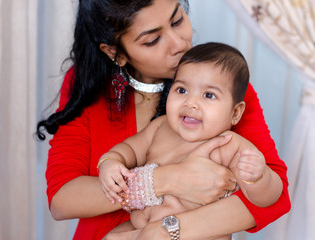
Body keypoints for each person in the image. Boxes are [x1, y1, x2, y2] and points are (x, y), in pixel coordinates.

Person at [36, 0, 290, 239]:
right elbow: (62, 199)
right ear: (116, 52)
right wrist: (167, 179)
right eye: (153, 40)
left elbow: (274, 196)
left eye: (178, 20)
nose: (178, 44)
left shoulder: (222, 86)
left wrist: (166, 231)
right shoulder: (88, 86)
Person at [98, 42, 283, 240]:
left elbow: (269, 198)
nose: (191, 103)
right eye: (182, 90)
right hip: (140, 229)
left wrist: (258, 177)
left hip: (192, 235)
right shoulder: (160, 127)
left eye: (209, 95)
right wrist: (111, 161)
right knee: (110, 237)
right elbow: (130, 150)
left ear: (235, 113)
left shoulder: (228, 145)